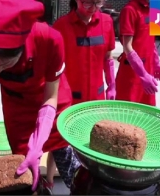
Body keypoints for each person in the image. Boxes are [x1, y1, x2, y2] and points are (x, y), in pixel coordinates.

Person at [0, 0, 81, 191]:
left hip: (52, 101)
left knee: (68, 159)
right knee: (23, 169)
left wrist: (40, 137)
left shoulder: (49, 38)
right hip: (16, 105)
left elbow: (51, 95)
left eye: (5, 63)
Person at [49, 0, 116, 187]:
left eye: (98, 3)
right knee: (60, 142)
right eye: (87, 3)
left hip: (96, 98)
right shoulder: (61, 26)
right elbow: (52, 66)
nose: (93, 8)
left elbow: (108, 57)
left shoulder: (106, 22)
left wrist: (111, 85)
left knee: (94, 142)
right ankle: (49, 180)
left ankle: (90, 180)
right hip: (69, 100)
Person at [115, 0, 160, 106]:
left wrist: (156, 62)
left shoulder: (151, 8)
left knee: (146, 111)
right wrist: (142, 74)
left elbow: (150, 39)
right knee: (127, 112)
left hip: (148, 69)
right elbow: (127, 47)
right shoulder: (130, 10)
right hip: (132, 71)